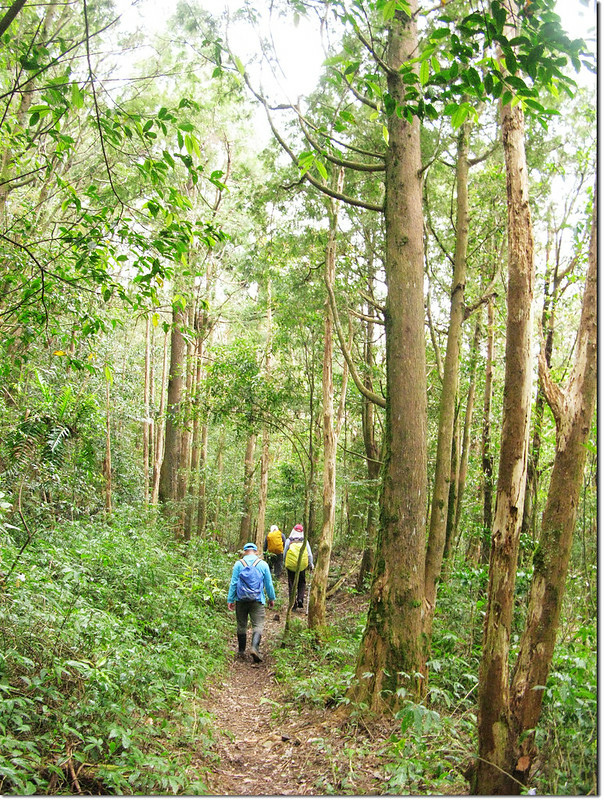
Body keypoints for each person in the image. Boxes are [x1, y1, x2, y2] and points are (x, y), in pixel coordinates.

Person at [227, 542, 275, 662]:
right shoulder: (263, 564)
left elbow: (233, 583)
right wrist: (271, 598)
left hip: (241, 600)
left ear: (244, 552)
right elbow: (268, 584)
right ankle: (254, 647)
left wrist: (230, 599)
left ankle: (241, 651)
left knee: (241, 624)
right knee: (258, 625)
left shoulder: (239, 564)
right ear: (256, 552)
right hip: (257, 600)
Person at [283, 524, 314, 611]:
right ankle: (300, 598)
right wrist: (311, 564)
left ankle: (293, 604)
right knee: (302, 582)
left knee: (291, 584)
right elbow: (309, 554)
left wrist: (285, 562)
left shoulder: (289, 541)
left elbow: (285, 553)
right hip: (301, 566)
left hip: (291, 566)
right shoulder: (304, 541)